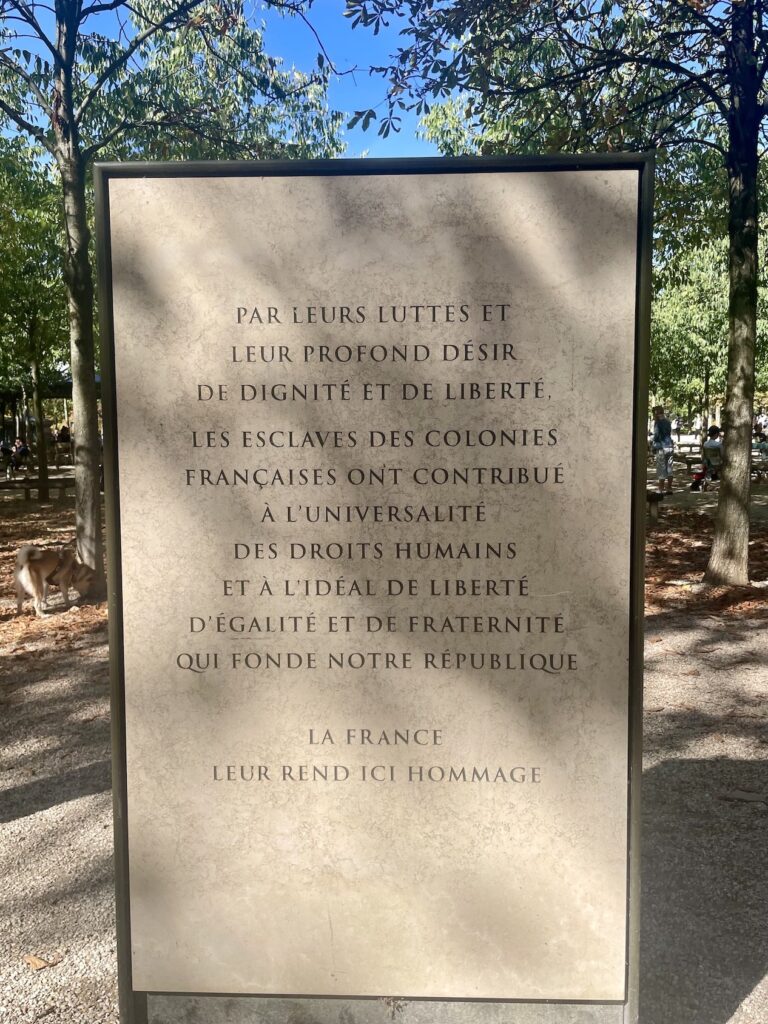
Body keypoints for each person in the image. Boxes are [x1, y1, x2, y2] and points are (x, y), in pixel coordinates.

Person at [651, 405, 675, 495]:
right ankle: (669, 488)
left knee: (661, 468)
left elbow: (656, 435)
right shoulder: (668, 422)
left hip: (661, 447)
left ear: (656, 413)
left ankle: (661, 489)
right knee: (669, 468)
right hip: (669, 446)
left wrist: (653, 446)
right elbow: (668, 433)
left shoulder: (657, 423)